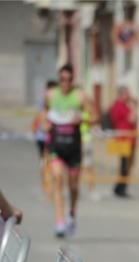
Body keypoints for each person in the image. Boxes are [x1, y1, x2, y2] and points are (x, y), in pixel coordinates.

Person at [45, 64, 94, 238]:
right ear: (58, 80)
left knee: (73, 186)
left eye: (68, 80)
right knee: (57, 180)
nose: (65, 83)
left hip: (73, 147)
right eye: (62, 79)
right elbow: (45, 114)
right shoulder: (51, 95)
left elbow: (94, 116)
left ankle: (71, 214)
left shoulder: (80, 96)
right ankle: (59, 222)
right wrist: (46, 124)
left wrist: (82, 118)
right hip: (57, 146)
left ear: (73, 80)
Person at [108, 85, 138, 198]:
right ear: (122, 94)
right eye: (127, 93)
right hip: (123, 140)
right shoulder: (119, 106)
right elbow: (131, 119)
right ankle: (120, 188)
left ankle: (119, 187)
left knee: (125, 165)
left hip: (128, 140)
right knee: (124, 165)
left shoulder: (123, 106)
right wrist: (134, 107)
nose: (129, 96)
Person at [32, 80, 57, 199]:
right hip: (43, 138)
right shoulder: (43, 102)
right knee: (44, 162)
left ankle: (50, 185)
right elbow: (41, 120)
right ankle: (45, 184)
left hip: (51, 138)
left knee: (51, 162)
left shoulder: (56, 100)